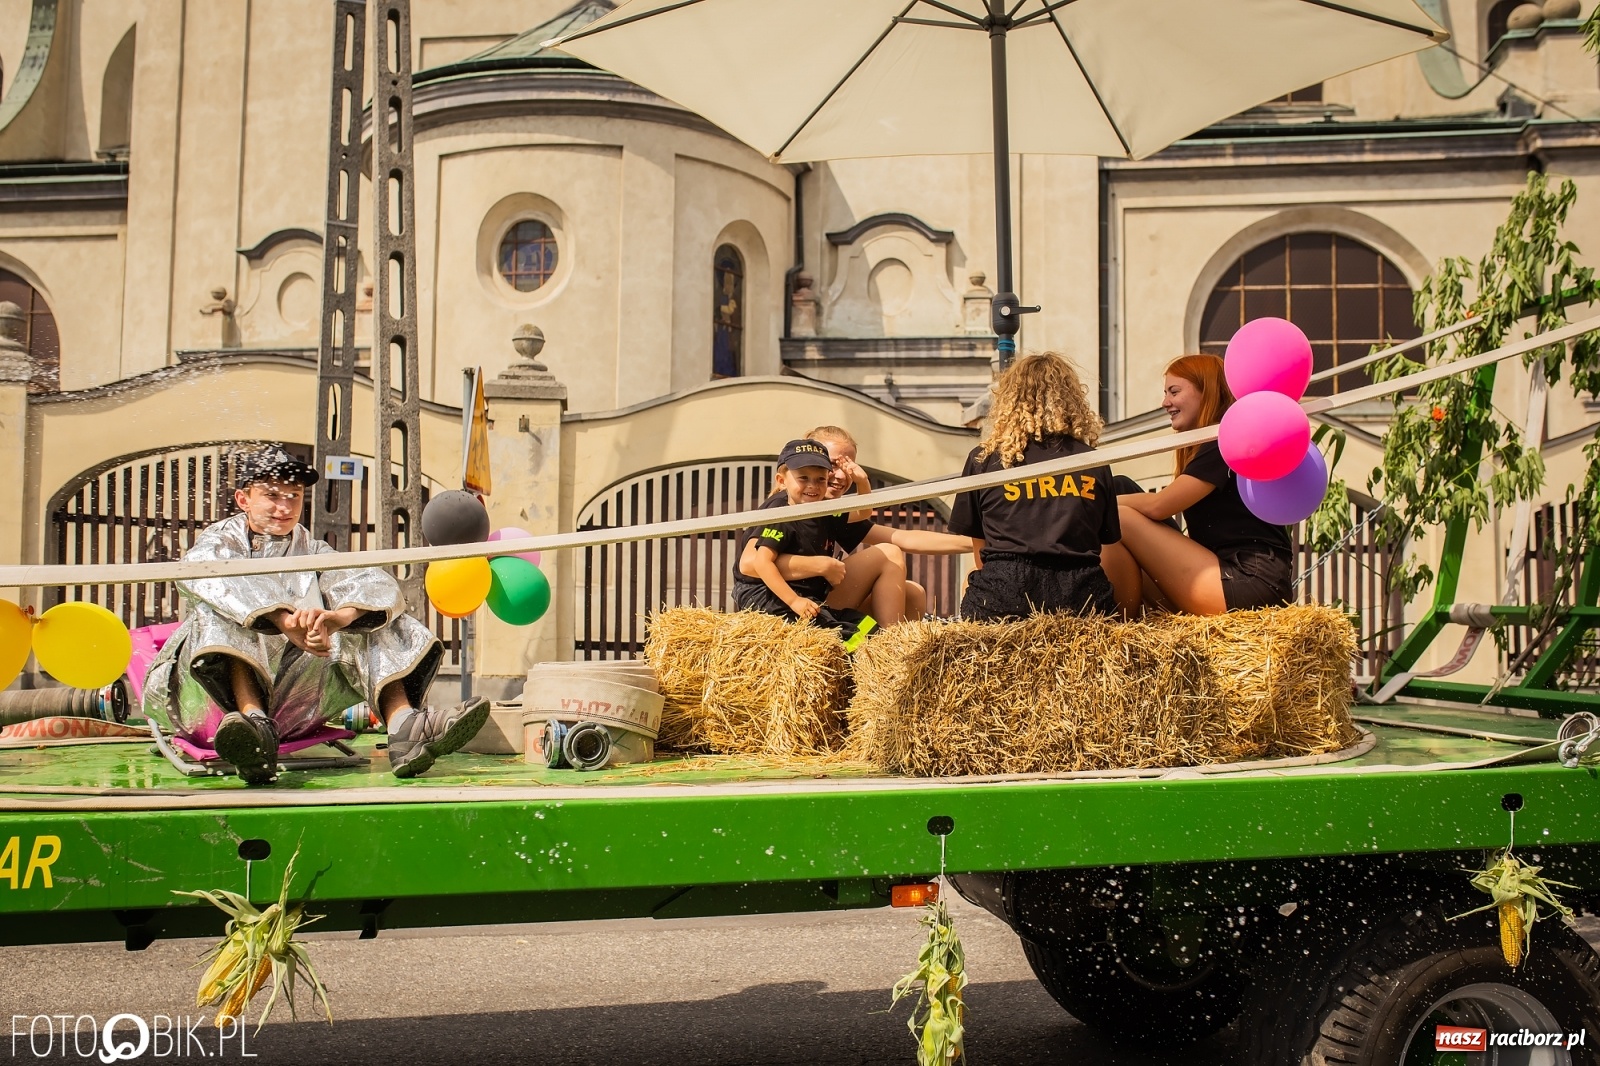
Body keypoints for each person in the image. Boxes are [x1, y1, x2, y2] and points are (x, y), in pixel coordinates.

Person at [141, 444, 489, 784]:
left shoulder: (313, 550)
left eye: (293, 496)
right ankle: (252, 726)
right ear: (243, 500)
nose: (284, 506)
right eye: (273, 496)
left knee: (370, 614)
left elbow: (375, 584)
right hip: (208, 704)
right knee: (226, 610)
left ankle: (405, 727)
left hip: (292, 703)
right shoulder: (218, 542)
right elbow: (202, 572)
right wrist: (281, 620)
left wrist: (340, 618)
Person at [1100, 354, 1294, 615]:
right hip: (1220, 571)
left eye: (1174, 391)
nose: (1165, 402)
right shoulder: (1208, 444)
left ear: (1207, 392)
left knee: (1118, 516)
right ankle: (1122, 623)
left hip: (1250, 579)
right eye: (1165, 392)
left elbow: (1159, 506)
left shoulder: (1225, 443)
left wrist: (1091, 501)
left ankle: (1118, 620)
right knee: (1120, 486)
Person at [740, 425, 972, 623]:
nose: (841, 475)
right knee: (888, 554)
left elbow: (902, 536)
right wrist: (820, 565)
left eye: (849, 467)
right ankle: (889, 652)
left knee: (913, 593)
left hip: (816, 596)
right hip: (784, 603)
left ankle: (887, 659)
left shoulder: (826, 509)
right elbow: (749, 564)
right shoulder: (785, 505)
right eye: (833, 465)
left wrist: (979, 542)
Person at [948, 353, 1120, 620]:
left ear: (1008, 399)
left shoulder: (983, 459)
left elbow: (980, 551)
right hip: (1082, 600)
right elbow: (1104, 541)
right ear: (1072, 400)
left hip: (1003, 596)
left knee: (971, 585)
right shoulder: (1093, 461)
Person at [732, 438, 879, 643]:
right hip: (772, 599)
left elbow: (864, 512)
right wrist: (795, 601)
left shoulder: (824, 509)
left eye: (820, 479)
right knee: (844, 637)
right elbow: (760, 562)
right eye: (803, 478)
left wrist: (862, 481)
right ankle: (850, 664)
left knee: (867, 625)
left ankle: (874, 654)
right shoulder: (782, 516)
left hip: (804, 598)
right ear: (782, 481)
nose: (813, 486)